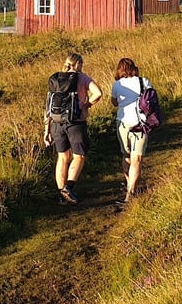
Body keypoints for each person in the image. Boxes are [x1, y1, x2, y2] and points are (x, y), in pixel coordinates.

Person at [43, 53, 102, 205]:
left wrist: (46, 131)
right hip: (76, 122)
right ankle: (68, 188)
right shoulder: (82, 78)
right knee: (79, 156)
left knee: (62, 157)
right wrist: (86, 105)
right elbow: (98, 93)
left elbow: (49, 105)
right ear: (78, 64)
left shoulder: (55, 78)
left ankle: (61, 195)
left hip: (56, 123)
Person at [110, 57, 152, 204]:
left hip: (122, 122)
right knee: (137, 159)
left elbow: (114, 102)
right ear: (134, 68)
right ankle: (131, 192)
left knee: (126, 155)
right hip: (140, 123)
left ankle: (129, 185)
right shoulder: (144, 81)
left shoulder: (117, 85)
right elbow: (151, 100)